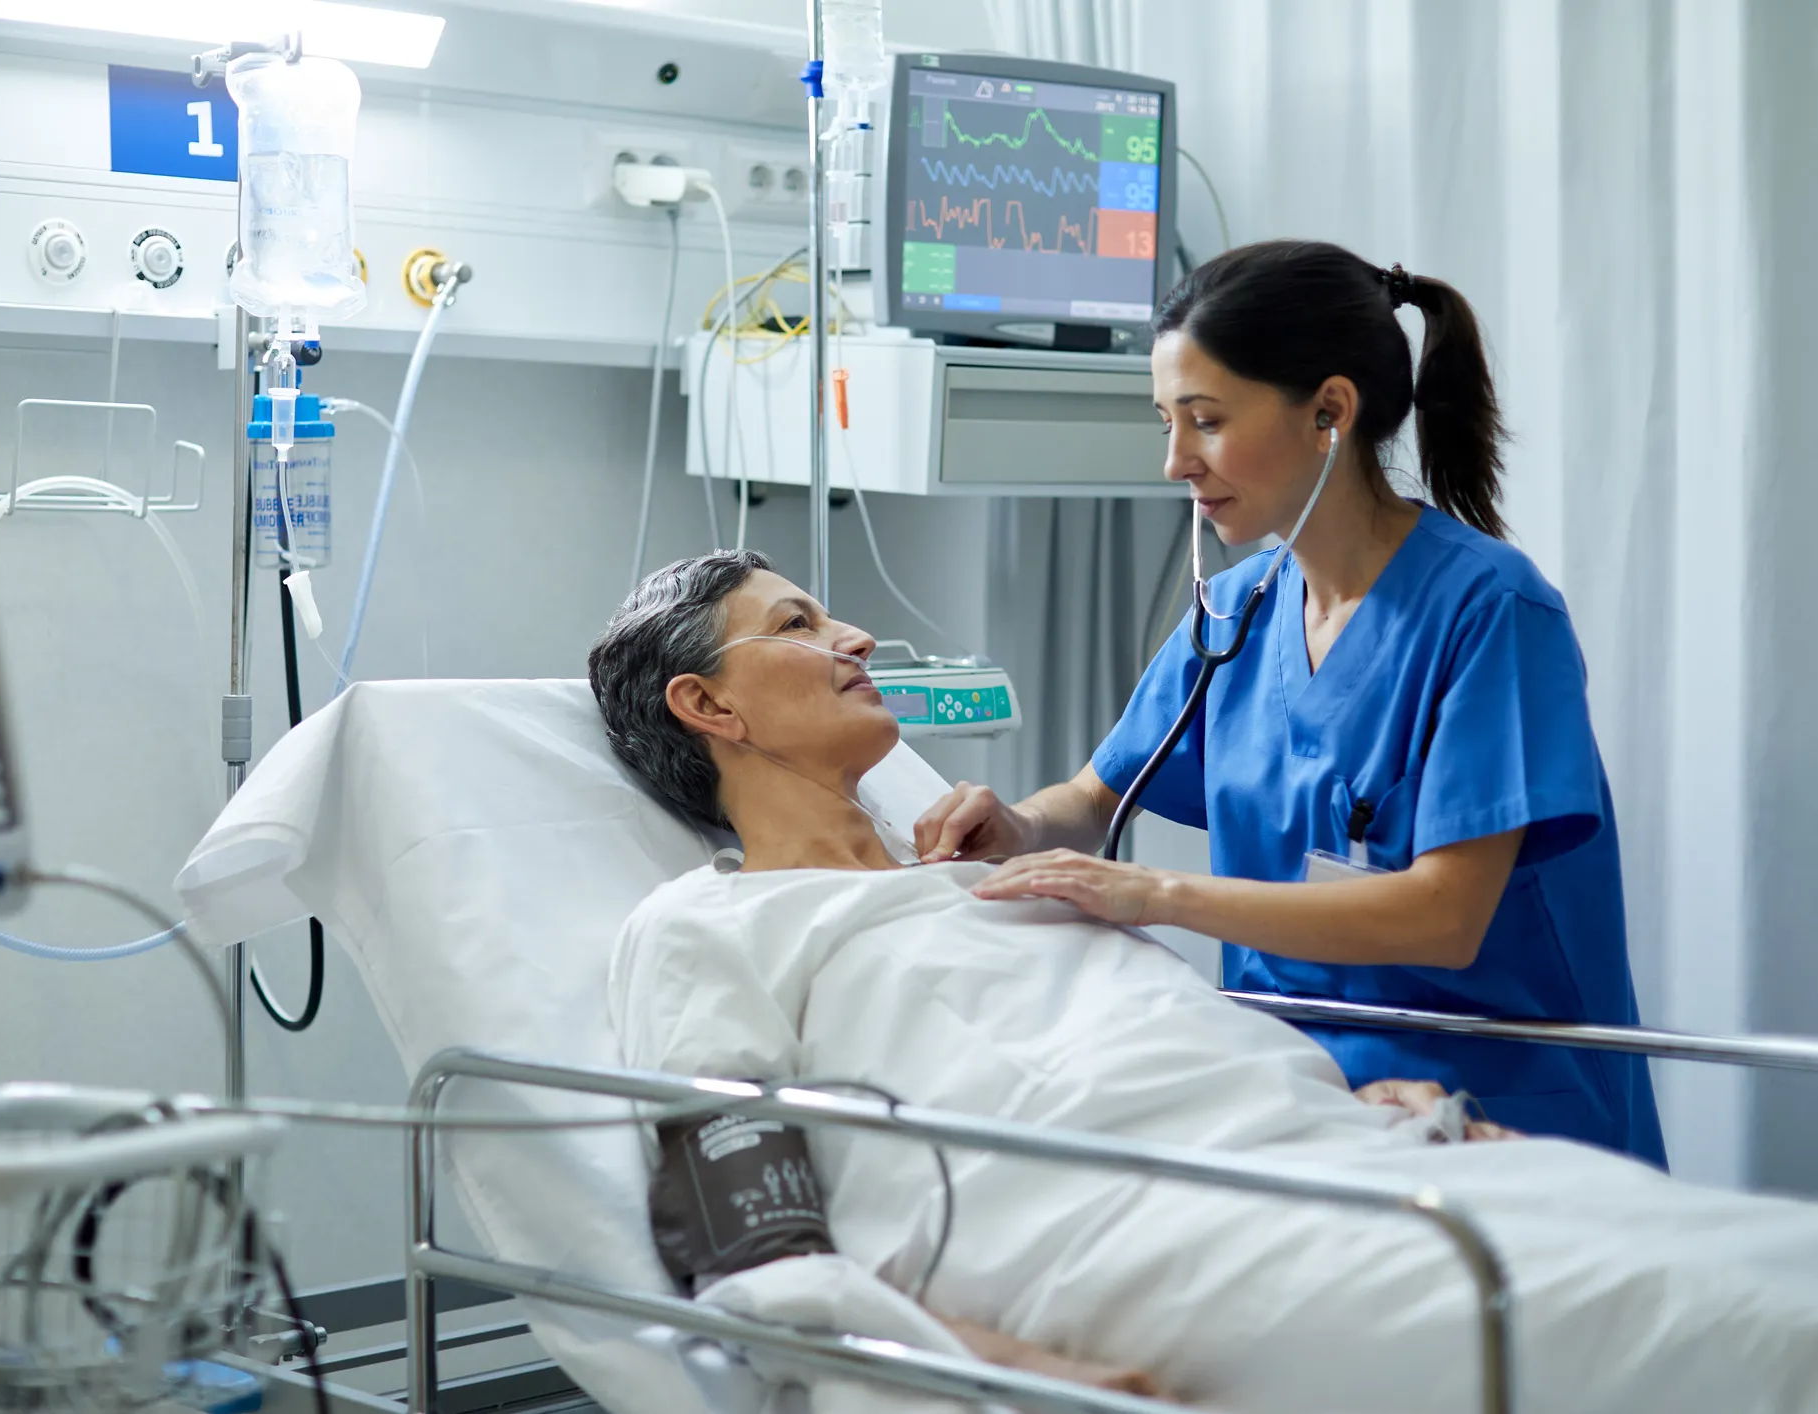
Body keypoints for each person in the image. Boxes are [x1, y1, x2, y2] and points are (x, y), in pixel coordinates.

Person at [586, 552, 1818, 1413]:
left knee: (1766, 1267)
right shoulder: (707, 924)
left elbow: (1164, 1039)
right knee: (1727, 1329)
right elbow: (755, 1249)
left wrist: (1352, 1112)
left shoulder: (992, 876)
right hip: (1141, 1225)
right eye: (796, 625)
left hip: (1353, 1164)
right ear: (708, 705)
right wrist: (978, 1364)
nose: (852, 637)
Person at [914, 241, 1662, 1162]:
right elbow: (1094, 798)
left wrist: (1155, 894)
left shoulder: (1490, 614)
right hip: (1295, 1095)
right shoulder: (1236, 610)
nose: (1175, 463)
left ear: (1328, 414)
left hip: (1496, 1113)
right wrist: (1018, 827)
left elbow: (1443, 914)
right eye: (1165, 424)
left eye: (1206, 421)